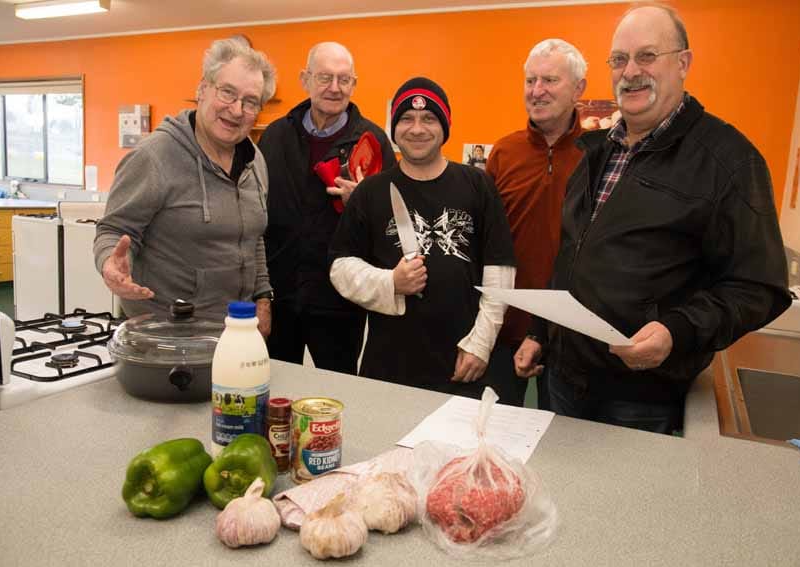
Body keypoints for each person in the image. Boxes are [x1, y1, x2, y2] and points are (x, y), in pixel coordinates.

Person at [514, 4, 791, 433]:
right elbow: (571, 260)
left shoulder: (729, 162)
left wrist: (676, 331)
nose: (630, 71)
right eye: (620, 59)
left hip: (640, 397)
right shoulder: (594, 154)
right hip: (565, 380)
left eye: (647, 56)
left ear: (683, 64)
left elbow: (759, 287)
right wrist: (539, 333)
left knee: (628, 502)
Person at [328, 77, 517, 399]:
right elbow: (340, 266)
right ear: (394, 127)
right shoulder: (371, 192)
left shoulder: (477, 184)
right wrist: (391, 282)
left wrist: (480, 345)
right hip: (388, 364)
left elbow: (500, 271)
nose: (417, 128)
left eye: (429, 118)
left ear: (445, 126)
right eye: (406, 118)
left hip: (462, 360)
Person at [94, 38, 276, 334]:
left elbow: (252, 237)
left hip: (234, 330)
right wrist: (111, 265)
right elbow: (114, 231)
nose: (237, 109)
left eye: (250, 101)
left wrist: (263, 297)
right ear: (203, 89)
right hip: (165, 333)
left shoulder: (255, 161)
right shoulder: (154, 156)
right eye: (227, 93)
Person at [257, 42, 396, 374]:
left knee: (338, 394)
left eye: (344, 79)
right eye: (324, 77)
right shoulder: (275, 136)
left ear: (354, 84)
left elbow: (390, 229)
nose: (334, 88)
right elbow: (254, 215)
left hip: (340, 304)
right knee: (274, 387)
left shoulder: (374, 142)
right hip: (279, 298)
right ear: (305, 80)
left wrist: (362, 207)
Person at [485, 38, 587, 407]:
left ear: (579, 89)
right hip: (504, 329)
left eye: (549, 80)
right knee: (495, 439)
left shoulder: (598, 154)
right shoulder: (503, 152)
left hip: (571, 334)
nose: (537, 91)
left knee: (561, 446)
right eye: (531, 81)